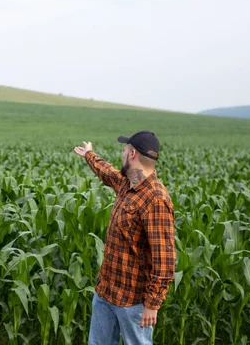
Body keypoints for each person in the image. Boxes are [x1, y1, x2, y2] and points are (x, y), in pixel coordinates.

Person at [73, 130, 175, 345]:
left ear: (132, 155)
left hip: (133, 302)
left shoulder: (156, 199)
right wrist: (90, 155)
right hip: (106, 291)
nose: (122, 152)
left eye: (125, 149)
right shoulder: (130, 182)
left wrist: (152, 304)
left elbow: (164, 260)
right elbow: (109, 174)